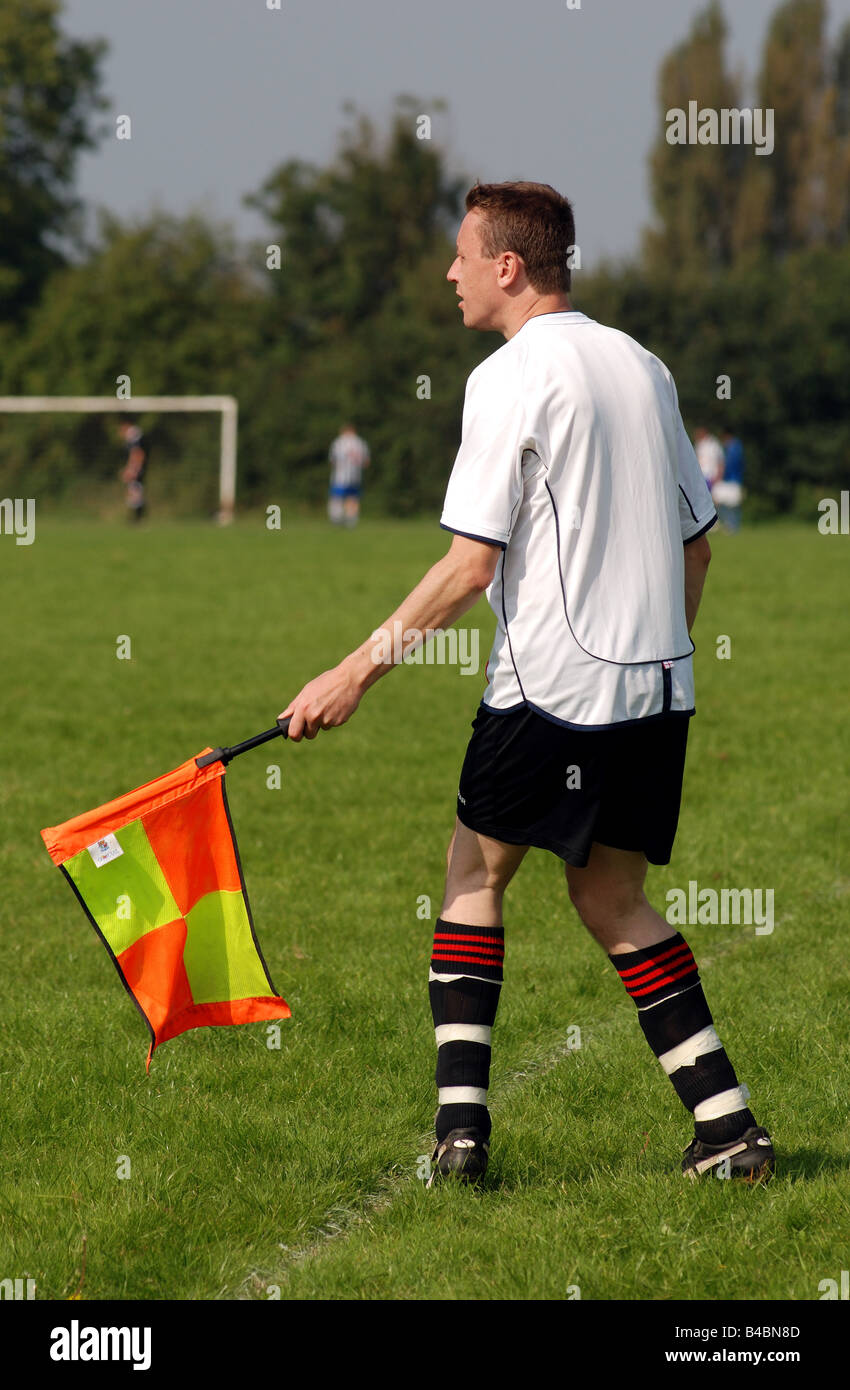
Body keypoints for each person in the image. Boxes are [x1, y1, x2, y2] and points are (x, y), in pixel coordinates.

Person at [279, 181, 774, 1186]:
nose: (449, 272)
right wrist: (660, 649)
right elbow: (699, 546)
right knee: (612, 897)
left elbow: (469, 565)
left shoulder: (507, 377)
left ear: (508, 266)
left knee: (473, 873)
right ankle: (728, 1128)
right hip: (656, 690)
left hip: (549, 689)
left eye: (462, 255)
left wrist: (353, 670)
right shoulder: (642, 364)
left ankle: (460, 1135)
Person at [328, 423, 370, 526]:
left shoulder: (338, 442)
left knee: (337, 498)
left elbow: (332, 461)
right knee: (352, 498)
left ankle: (336, 519)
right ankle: (351, 520)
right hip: (355, 477)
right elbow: (366, 462)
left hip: (340, 477)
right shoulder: (360, 443)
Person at [118, 414, 149, 522]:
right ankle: (136, 518)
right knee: (134, 493)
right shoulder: (135, 436)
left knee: (135, 493)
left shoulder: (133, 436)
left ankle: (138, 519)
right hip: (138, 468)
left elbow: (138, 453)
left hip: (137, 469)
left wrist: (132, 470)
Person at [715, 427, 745, 532]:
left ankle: (733, 526)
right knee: (720, 502)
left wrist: (720, 473)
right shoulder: (734, 447)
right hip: (729, 481)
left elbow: (729, 465)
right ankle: (728, 524)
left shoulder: (734, 447)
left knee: (732, 505)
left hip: (732, 481)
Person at [693, 426, 724, 497]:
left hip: (711, 478)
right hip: (701, 477)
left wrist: (718, 478)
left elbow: (721, 462)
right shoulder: (698, 445)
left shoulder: (714, 444)